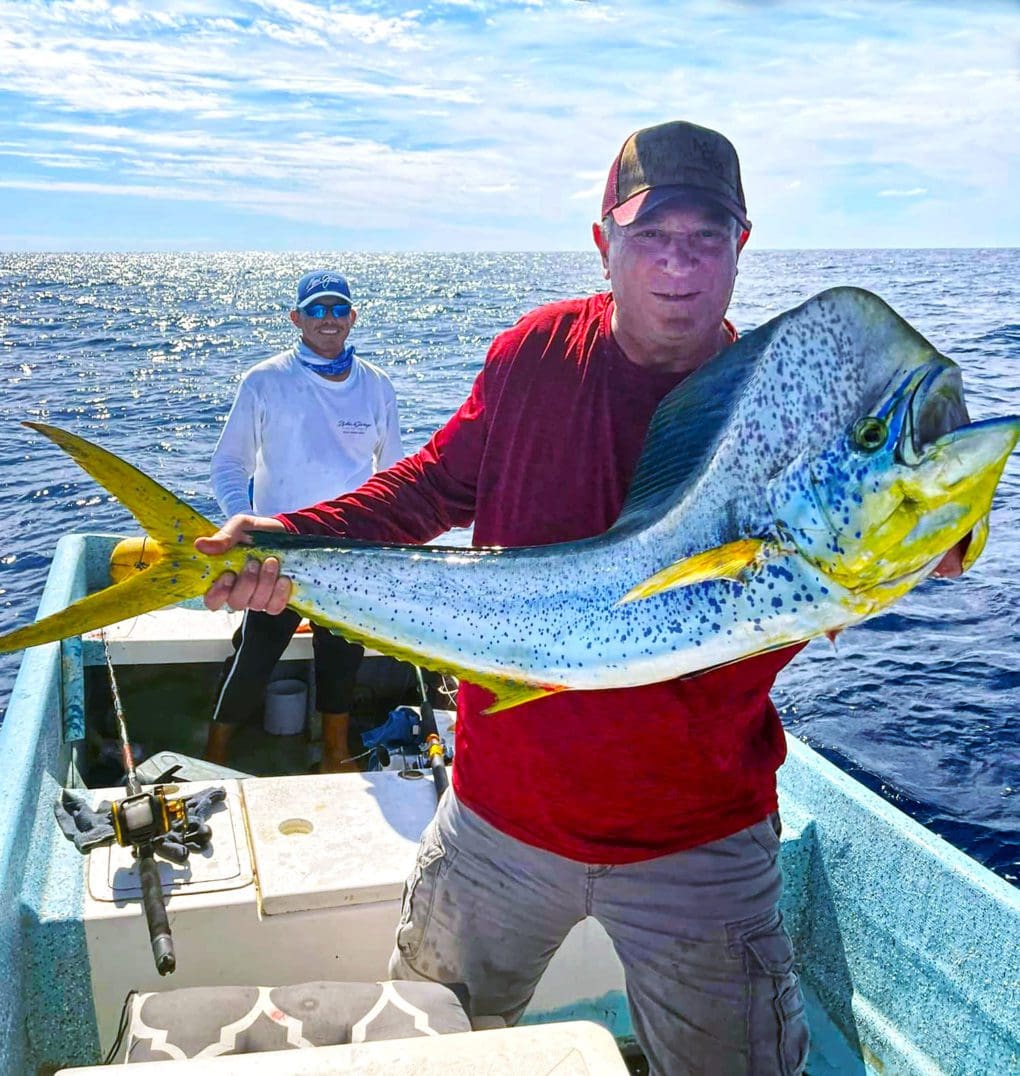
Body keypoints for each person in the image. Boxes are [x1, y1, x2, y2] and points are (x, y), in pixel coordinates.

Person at [195, 123, 968, 1074]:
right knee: (424, 1053)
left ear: (743, 246)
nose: (678, 266)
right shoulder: (533, 356)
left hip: (700, 843)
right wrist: (287, 543)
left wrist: (947, 531)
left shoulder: (780, 402)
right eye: (651, 237)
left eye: (705, 239)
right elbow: (433, 487)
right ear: (603, 243)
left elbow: (907, 514)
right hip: (495, 823)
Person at [203, 269, 403, 772]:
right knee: (256, 656)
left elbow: (397, 475)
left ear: (353, 317)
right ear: (296, 318)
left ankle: (335, 755)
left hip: (350, 553)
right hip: (279, 553)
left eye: (338, 309)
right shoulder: (265, 380)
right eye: (316, 309)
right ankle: (213, 752)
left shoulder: (376, 386)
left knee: (344, 658)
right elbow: (229, 466)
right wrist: (244, 528)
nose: (328, 319)